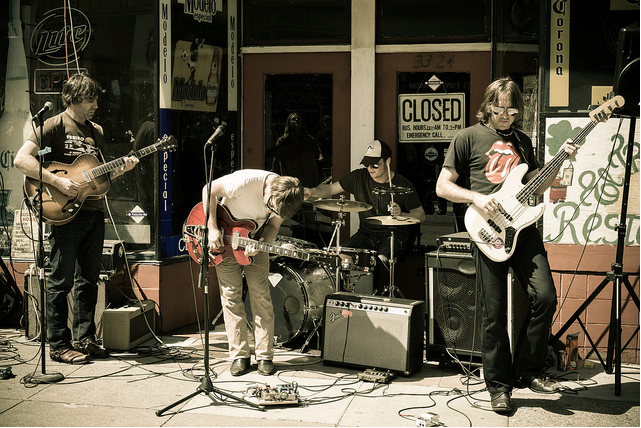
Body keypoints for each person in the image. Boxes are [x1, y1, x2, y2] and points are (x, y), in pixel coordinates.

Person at [435, 77, 579, 413]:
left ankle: (529, 371)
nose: (505, 116)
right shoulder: (467, 137)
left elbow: (534, 189)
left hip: (524, 231)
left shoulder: (523, 141)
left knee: (545, 297)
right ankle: (499, 387)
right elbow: (443, 187)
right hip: (488, 231)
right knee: (494, 313)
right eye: (498, 109)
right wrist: (476, 198)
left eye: (511, 111)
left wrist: (561, 162)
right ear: (486, 106)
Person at [15, 73, 139, 364]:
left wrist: (122, 168)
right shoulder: (53, 125)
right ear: (72, 99)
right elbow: (23, 160)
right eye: (90, 99)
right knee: (60, 280)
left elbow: (98, 173)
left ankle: (85, 339)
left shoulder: (96, 130)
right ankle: (59, 345)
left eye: (96, 98)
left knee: (88, 279)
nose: (95, 104)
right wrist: (57, 183)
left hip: (93, 212)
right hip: (63, 212)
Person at [203, 169, 304, 376]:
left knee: (261, 296)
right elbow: (208, 190)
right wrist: (212, 228)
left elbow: (273, 226)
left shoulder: (285, 198)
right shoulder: (243, 183)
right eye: (270, 205)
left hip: (255, 240)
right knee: (231, 295)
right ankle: (239, 355)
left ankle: (265, 355)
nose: (270, 210)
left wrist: (262, 243)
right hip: (224, 241)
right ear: (270, 191)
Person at [305, 139, 426, 295]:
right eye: (367, 164)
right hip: (366, 233)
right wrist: (312, 192)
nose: (370, 168)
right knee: (341, 256)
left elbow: (421, 215)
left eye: (375, 164)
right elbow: (330, 188)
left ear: (387, 161)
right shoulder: (358, 177)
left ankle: (382, 299)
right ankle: (342, 299)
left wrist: (400, 213)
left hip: (394, 234)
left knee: (383, 259)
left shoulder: (404, 184)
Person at [271, 112, 324, 188]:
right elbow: (276, 157)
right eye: (293, 119)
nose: (296, 120)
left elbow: (317, 152)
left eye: (298, 119)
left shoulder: (308, 139)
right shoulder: (283, 141)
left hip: (307, 175)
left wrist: (320, 158)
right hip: (291, 174)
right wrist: (273, 171)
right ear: (289, 122)